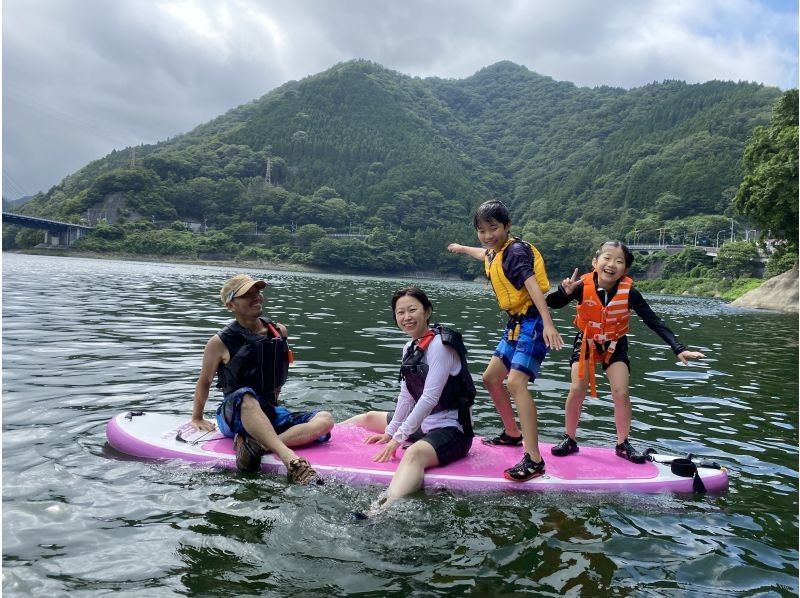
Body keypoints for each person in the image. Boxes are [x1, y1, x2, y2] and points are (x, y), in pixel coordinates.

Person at [546, 241, 706, 463]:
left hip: (615, 345)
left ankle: (622, 444)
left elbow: (653, 320)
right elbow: (551, 303)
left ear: (625, 270)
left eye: (619, 261)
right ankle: (570, 439)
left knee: (621, 393)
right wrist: (564, 292)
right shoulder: (581, 286)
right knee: (577, 388)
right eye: (607, 258)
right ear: (595, 262)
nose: (612, 264)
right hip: (587, 342)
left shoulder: (630, 293)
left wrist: (678, 348)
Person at [447, 199, 563, 482]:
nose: (488, 236)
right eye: (482, 230)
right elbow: (484, 254)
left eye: (493, 228)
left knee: (515, 382)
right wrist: (462, 249)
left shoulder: (516, 253)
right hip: (515, 323)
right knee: (490, 378)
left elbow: (533, 285)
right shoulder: (494, 251)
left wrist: (548, 323)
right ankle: (512, 433)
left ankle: (534, 460)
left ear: (507, 226)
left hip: (533, 321)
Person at [191, 274, 334, 484]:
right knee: (247, 396)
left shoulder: (279, 332)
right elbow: (205, 381)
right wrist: (197, 417)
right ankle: (290, 459)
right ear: (231, 305)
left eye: (257, 292)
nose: (256, 297)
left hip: (268, 412)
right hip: (235, 413)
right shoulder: (219, 342)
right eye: (247, 294)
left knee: (325, 419)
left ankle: (257, 445)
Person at [342, 286, 475, 510]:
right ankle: (322, 437)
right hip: (424, 424)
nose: (406, 317)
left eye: (412, 310)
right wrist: (390, 431)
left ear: (427, 311)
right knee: (368, 418)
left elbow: (429, 398)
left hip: (454, 430)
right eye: (400, 312)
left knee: (413, 454)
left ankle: (381, 509)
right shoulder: (410, 347)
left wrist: (399, 438)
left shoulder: (441, 347)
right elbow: (406, 395)